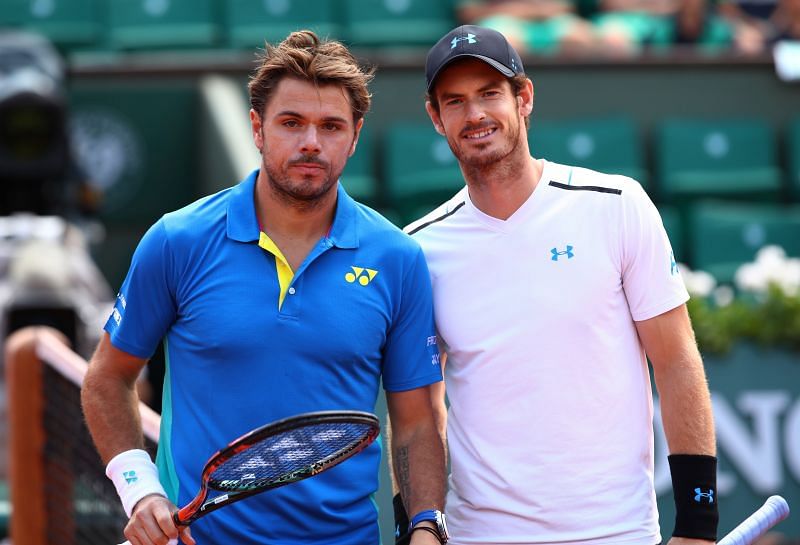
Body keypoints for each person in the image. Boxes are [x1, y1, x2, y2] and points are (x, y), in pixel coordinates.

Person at [81, 30, 447, 545]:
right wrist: (141, 490)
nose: (311, 143)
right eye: (291, 123)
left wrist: (426, 523)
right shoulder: (176, 241)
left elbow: (415, 424)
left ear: (355, 135)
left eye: (331, 126)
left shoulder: (398, 259)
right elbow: (106, 379)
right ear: (257, 127)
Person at [398, 24, 719, 545]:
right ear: (436, 118)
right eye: (454, 101)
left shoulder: (616, 204)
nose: (475, 114)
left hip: (616, 534)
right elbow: (418, 413)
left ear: (523, 98)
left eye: (489, 94)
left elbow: (676, 360)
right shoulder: (417, 250)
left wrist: (699, 525)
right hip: (478, 535)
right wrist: (420, 524)